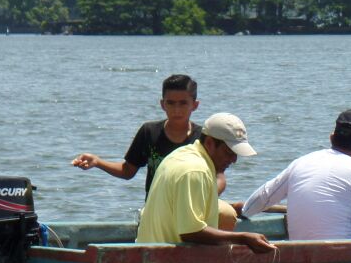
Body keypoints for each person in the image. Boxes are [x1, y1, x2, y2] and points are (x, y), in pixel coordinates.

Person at [72, 73, 237, 229]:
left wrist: (203, 196)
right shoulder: (149, 132)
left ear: (195, 105)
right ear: (162, 104)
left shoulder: (203, 138)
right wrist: (98, 162)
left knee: (226, 214)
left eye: (183, 103)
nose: (177, 109)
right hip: (157, 209)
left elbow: (219, 178)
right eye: (171, 103)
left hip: (193, 208)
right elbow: (128, 170)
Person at [237, 109, 351, 241]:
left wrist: (243, 211)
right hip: (341, 259)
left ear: (331, 137)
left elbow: (260, 200)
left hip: (300, 257)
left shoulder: (300, 163)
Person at [135, 112, 276, 253]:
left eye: (236, 153)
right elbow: (191, 232)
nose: (234, 160)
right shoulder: (196, 171)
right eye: (229, 152)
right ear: (209, 143)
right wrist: (243, 238)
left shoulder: (181, 154)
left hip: (146, 253)